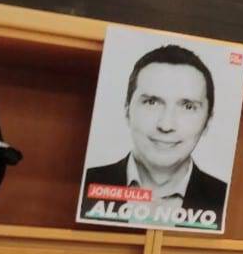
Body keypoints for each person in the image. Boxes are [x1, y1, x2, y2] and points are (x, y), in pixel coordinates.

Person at [80, 45, 228, 229]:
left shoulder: (224, 198)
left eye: (188, 106)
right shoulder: (87, 183)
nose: (166, 125)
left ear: (208, 120)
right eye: (152, 102)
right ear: (127, 110)